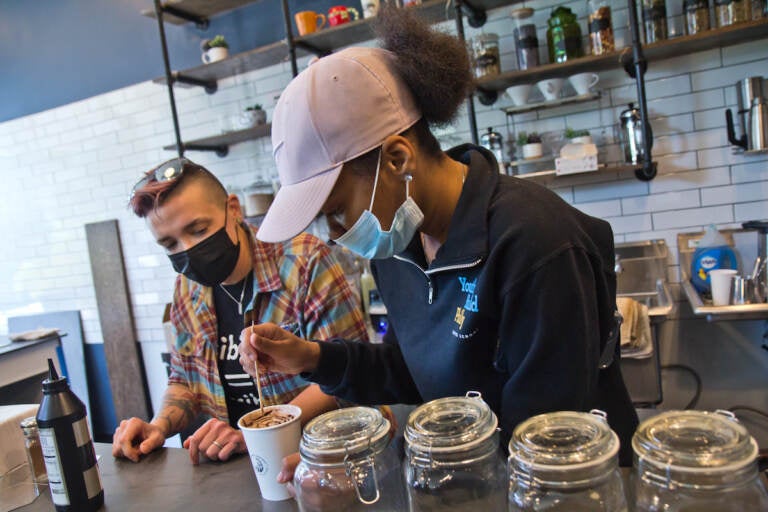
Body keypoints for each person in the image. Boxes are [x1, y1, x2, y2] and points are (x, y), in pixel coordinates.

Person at [240, 7, 639, 466]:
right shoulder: (398, 247)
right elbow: (414, 371)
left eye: (334, 211)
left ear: (397, 159)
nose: (333, 235)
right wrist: (311, 357)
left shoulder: (535, 243)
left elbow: (546, 442)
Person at [113, 158, 372, 469]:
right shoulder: (187, 288)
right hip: (237, 464)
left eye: (198, 229)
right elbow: (183, 380)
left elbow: (350, 375)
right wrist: (158, 427)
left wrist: (256, 434)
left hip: (319, 460)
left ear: (233, 210)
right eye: (170, 244)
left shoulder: (305, 262)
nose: (188, 250)